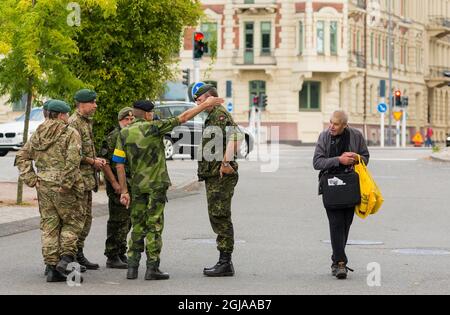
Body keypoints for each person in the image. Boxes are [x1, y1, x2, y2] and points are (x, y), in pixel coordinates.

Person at [114, 98, 223, 281]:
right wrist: (203, 106)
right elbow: (183, 117)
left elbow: (118, 164)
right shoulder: (154, 127)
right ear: (148, 114)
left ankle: (132, 268)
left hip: (137, 186)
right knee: (154, 225)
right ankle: (152, 268)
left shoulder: (124, 132)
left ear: (134, 113)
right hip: (156, 185)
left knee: (138, 225)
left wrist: (124, 190)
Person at [15, 100, 85, 282]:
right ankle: (66, 258)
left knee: (49, 226)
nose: (68, 117)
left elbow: (21, 156)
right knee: (73, 222)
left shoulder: (38, 132)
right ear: (61, 115)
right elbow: (73, 161)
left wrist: (31, 179)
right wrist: (66, 183)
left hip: (44, 185)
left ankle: (52, 268)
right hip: (65, 187)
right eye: (67, 114)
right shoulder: (70, 133)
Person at [313, 110, 370, 280]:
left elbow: (366, 157)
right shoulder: (324, 137)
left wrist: (356, 157)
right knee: (336, 223)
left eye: (336, 124)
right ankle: (340, 263)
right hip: (330, 186)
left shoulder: (356, 135)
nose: (331, 126)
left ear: (345, 125)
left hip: (351, 186)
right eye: (330, 122)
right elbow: (317, 162)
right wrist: (339, 160)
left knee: (346, 224)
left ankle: (335, 259)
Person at [194, 85, 244, 277]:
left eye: (199, 100)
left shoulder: (219, 114)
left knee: (220, 216)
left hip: (220, 175)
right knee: (217, 215)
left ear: (209, 98)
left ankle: (225, 262)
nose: (197, 103)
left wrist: (225, 162)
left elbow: (237, 135)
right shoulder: (214, 115)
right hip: (214, 175)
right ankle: (225, 261)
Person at [69, 89, 106, 270]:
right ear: (82, 104)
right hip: (78, 180)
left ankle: (79, 252)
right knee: (78, 219)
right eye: (93, 102)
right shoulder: (73, 123)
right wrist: (93, 161)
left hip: (87, 179)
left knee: (86, 219)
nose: (95, 105)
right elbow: (74, 153)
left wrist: (95, 159)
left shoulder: (86, 122)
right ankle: (72, 256)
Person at [100, 107, 134, 269]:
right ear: (120, 121)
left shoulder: (131, 135)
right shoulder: (114, 137)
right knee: (117, 219)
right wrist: (115, 184)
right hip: (117, 184)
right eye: (125, 120)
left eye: (131, 119)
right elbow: (105, 162)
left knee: (127, 220)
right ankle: (112, 254)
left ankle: (121, 251)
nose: (128, 122)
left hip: (129, 183)